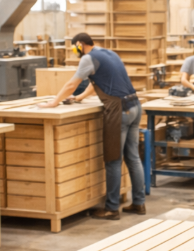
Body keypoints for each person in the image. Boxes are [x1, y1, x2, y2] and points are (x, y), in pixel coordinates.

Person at [39, 33, 145, 220]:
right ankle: (139, 203)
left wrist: (54, 102)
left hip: (120, 110)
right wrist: (79, 98)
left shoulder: (88, 58)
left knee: (113, 159)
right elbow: (97, 83)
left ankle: (112, 209)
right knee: (133, 158)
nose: (74, 51)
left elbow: (72, 83)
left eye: (74, 47)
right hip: (135, 106)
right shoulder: (109, 53)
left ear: (80, 44)